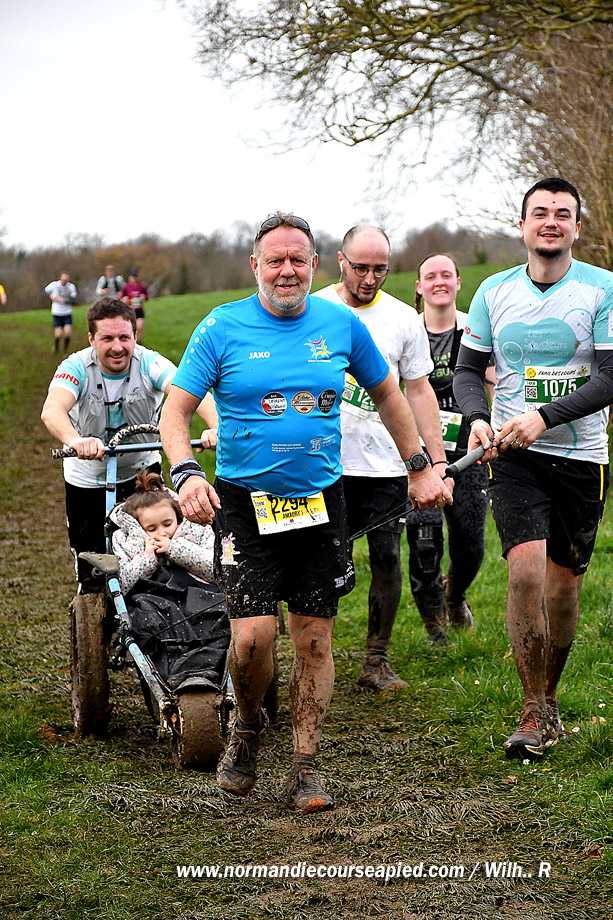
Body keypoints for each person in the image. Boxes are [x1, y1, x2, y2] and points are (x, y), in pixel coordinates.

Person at [160, 212, 452, 813]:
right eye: (276, 260)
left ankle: (304, 766)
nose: (287, 270)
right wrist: (186, 472)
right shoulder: (222, 326)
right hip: (244, 506)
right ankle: (246, 727)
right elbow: (176, 410)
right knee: (252, 640)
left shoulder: (340, 324)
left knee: (315, 640)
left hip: (321, 502)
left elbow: (390, 393)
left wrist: (420, 465)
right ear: (256, 266)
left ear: (315, 264)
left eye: (298, 259)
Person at [454, 177, 613, 760]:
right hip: (514, 457)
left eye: (562, 214)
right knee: (523, 573)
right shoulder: (494, 291)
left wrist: (543, 417)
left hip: (581, 458)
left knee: (563, 592)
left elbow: (611, 375)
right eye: (540, 212)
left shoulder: (602, 288)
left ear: (577, 227)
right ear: (522, 225)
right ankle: (532, 711)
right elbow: (467, 370)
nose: (551, 222)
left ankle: (551, 694)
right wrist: (477, 417)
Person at [316, 226, 449, 689]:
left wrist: (435, 462)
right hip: (323, 464)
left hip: (385, 464)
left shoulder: (403, 318)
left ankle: (376, 661)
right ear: (340, 261)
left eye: (380, 270)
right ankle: (315, 656)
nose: (370, 279)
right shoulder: (315, 309)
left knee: (387, 558)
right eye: (360, 268)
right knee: (321, 561)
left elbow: (419, 391)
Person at [41, 296, 217, 594]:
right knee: (91, 561)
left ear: (135, 335)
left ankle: (159, 604)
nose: (118, 347)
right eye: (107, 338)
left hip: (142, 472)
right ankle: (93, 607)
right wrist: (75, 440)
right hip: (88, 478)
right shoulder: (75, 367)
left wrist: (215, 427)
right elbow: (52, 410)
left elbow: (191, 392)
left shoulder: (150, 362)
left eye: (124, 337)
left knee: (159, 547)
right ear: (91, 339)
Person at [405, 253, 495, 646]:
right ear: (419, 287)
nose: (439, 281)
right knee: (424, 544)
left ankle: (455, 595)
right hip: (419, 457)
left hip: (468, 454)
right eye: (430, 276)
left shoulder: (476, 329)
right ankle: (433, 628)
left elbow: (494, 386)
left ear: (458, 282)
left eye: (446, 275)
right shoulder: (407, 331)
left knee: (470, 544)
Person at [111, 471, 215, 593]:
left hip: (201, 594)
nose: (161, 533)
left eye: (167, 524)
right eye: (151, 529)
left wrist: (175, 549)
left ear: (178, 517)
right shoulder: (124, 540)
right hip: (149, 597)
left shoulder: (198, 528)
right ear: (139, 527)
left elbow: (218, 570)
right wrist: (146, 558)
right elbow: (121, 586)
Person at [45, 270, 77, 353]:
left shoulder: (71, 287)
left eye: (66, 280)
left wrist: (65, 301)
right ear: (60, 278)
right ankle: (56, 347)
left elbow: (74, 301)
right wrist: (51, 296)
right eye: (63, 280)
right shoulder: (54, 285)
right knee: (58, 334)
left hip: (67, 312)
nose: (64, 282)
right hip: (57, 312)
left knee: (67, 332)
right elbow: (44, 292)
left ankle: (65, 351)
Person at [120, 269, 149, 343]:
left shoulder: (141, 287)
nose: (134, 279)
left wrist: (143, 297)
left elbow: (146, 297)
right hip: (130, 311)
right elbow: (121, 298)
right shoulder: (126, 287)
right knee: (131, 328)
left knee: (140, 327)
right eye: (132, 277)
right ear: (129, 277)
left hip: (139, 310)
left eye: (135, 277)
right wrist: (125, 300)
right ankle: (132, 342)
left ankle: (139, 342)